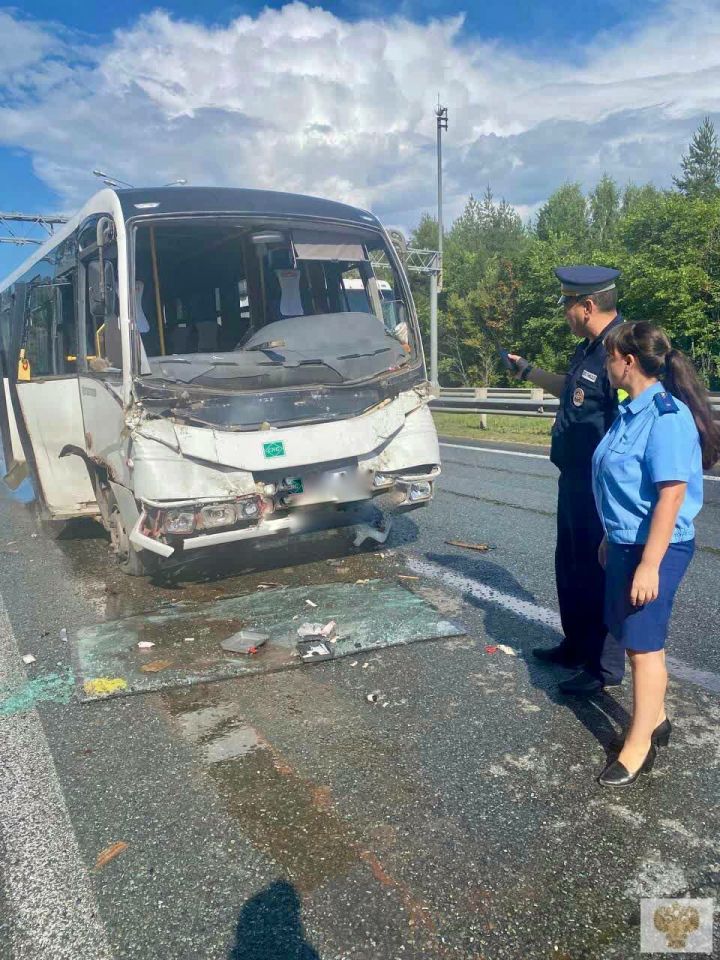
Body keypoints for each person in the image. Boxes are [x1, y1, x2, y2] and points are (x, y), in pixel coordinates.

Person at [591, 321, 719, 786]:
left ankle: (638, 746)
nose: (606, 365)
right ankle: (657, 718)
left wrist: (648, 564)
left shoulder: (667, 417)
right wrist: (612, 534)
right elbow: (625, 489)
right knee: (629, 635)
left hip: (658, 548)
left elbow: (669, 497)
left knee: (645, 649)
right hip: (628, 541)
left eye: (609, 356)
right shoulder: (631, 412)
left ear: (627, 361)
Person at [508, 265, 625, 695]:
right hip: (574, 479)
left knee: (600, 572)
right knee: (572, 565)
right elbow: (574, 390)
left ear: (587, 305)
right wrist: (528, 371)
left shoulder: (620, 349)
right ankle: (576, 646)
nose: (563, 312)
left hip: (603, 487)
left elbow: (634, 417)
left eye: (566, 303)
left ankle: (602, 668)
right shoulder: (588, 348)